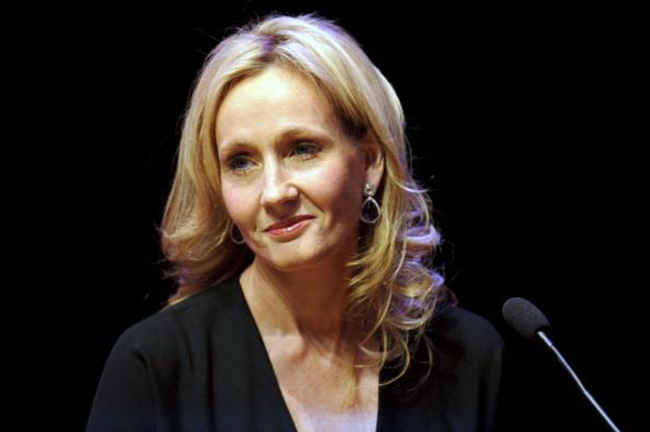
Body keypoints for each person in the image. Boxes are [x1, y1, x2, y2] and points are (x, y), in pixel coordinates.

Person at [86, 12, 505, 432]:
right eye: (241, 162)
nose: (273, 193)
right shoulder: (156, 365)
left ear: (370, 162)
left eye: (302, 149)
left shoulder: (468, 359)